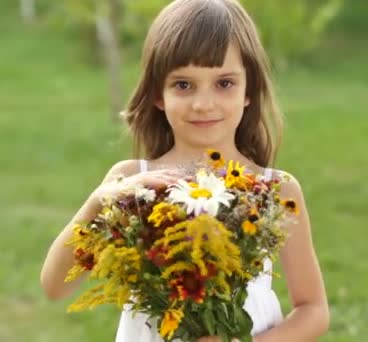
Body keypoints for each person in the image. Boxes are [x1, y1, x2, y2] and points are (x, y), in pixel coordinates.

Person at [39, 0, 329, 340]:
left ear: (249, 90)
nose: (203, 104)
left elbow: (314, 308)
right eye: (183, 85)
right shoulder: (132, 183)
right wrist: (98, 203)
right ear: (157, 94)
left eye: (224, 83)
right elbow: (55, 287)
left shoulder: (277, 191)